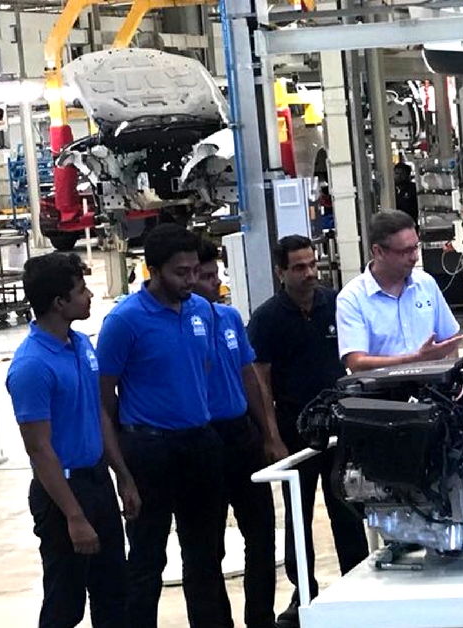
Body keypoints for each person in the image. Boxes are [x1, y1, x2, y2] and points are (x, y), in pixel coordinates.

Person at [97, 224, 227, 628]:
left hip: (200, 444)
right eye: (180, 273)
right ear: (152, 270)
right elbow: (104, 400)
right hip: (149, 450)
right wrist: (122, 470)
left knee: (206, 556)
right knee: (147, 560)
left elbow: (200, 371)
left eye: (194, 271)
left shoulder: (201, 310)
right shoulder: (124, 322)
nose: (191, 280)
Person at [7, 253, 140, 628]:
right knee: (66, 602)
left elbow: (98, 414)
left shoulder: (81, 345)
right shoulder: (32, 366)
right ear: (58, 303)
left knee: (114, 592)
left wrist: (123, 477)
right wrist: (74, 516)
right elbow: (40, 450)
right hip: (62, 492)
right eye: (81, 291)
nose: (90, 296)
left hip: (96, 482)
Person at [247, 235, 369, 628]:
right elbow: (261, 380)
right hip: (294, 427)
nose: (309, 274)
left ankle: (357, 586)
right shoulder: (266, 319)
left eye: (312, 264)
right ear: (280, 272)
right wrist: (271, 435)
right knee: (297, 515)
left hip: (339, 424)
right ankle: (304, 593)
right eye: (298, 267)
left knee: (348, 509)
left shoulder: (335, 304)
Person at [193, 240, 287, 628]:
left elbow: (250, 376)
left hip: (240, 435)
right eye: (206, 276)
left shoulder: (230, 318)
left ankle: (260, 617)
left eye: (218, 274)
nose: (216, 283)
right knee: (207, 544)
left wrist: (269, 432)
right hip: (203, 439)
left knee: (262, 532)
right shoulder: (180, 325)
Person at [337, 210, 463, 373]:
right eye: (405, 251)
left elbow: (450, 340)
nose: (415, 257)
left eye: (415, 247)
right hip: (383, 394)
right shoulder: (352, 298)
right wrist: (416, 359)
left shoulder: (425, 284)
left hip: (432, 392)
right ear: (378, 251)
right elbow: (356, 362)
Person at [393, 161, 419, 225]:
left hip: (409, 223)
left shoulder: (414, 189)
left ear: (407, 175)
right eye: (396, 173)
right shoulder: (391, 190)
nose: (399, 176)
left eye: (402, 174)